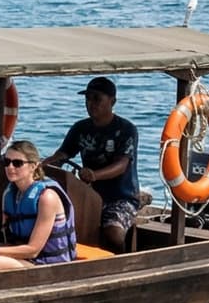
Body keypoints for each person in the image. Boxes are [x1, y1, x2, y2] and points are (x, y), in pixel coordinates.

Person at [45, 76, 141, 252]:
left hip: (121, 197)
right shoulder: (80, 128)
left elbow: (122, 165)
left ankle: (124, 263)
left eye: (97, 98)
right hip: (87, 195)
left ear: (112, 101)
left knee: (112, 232)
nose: (91, 103)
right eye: (87, 98)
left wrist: (95, 175)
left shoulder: (127, 129)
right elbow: (62, 154)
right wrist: (41, 165)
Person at [0, 140, 77, 271]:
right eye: (7, 162)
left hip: (50, 265)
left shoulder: (47, 197)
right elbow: (7, 238)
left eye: (18, 163)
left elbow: (33, 250)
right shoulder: (9, 194)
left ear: (33, 166)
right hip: (26, 259)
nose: (10, 167)